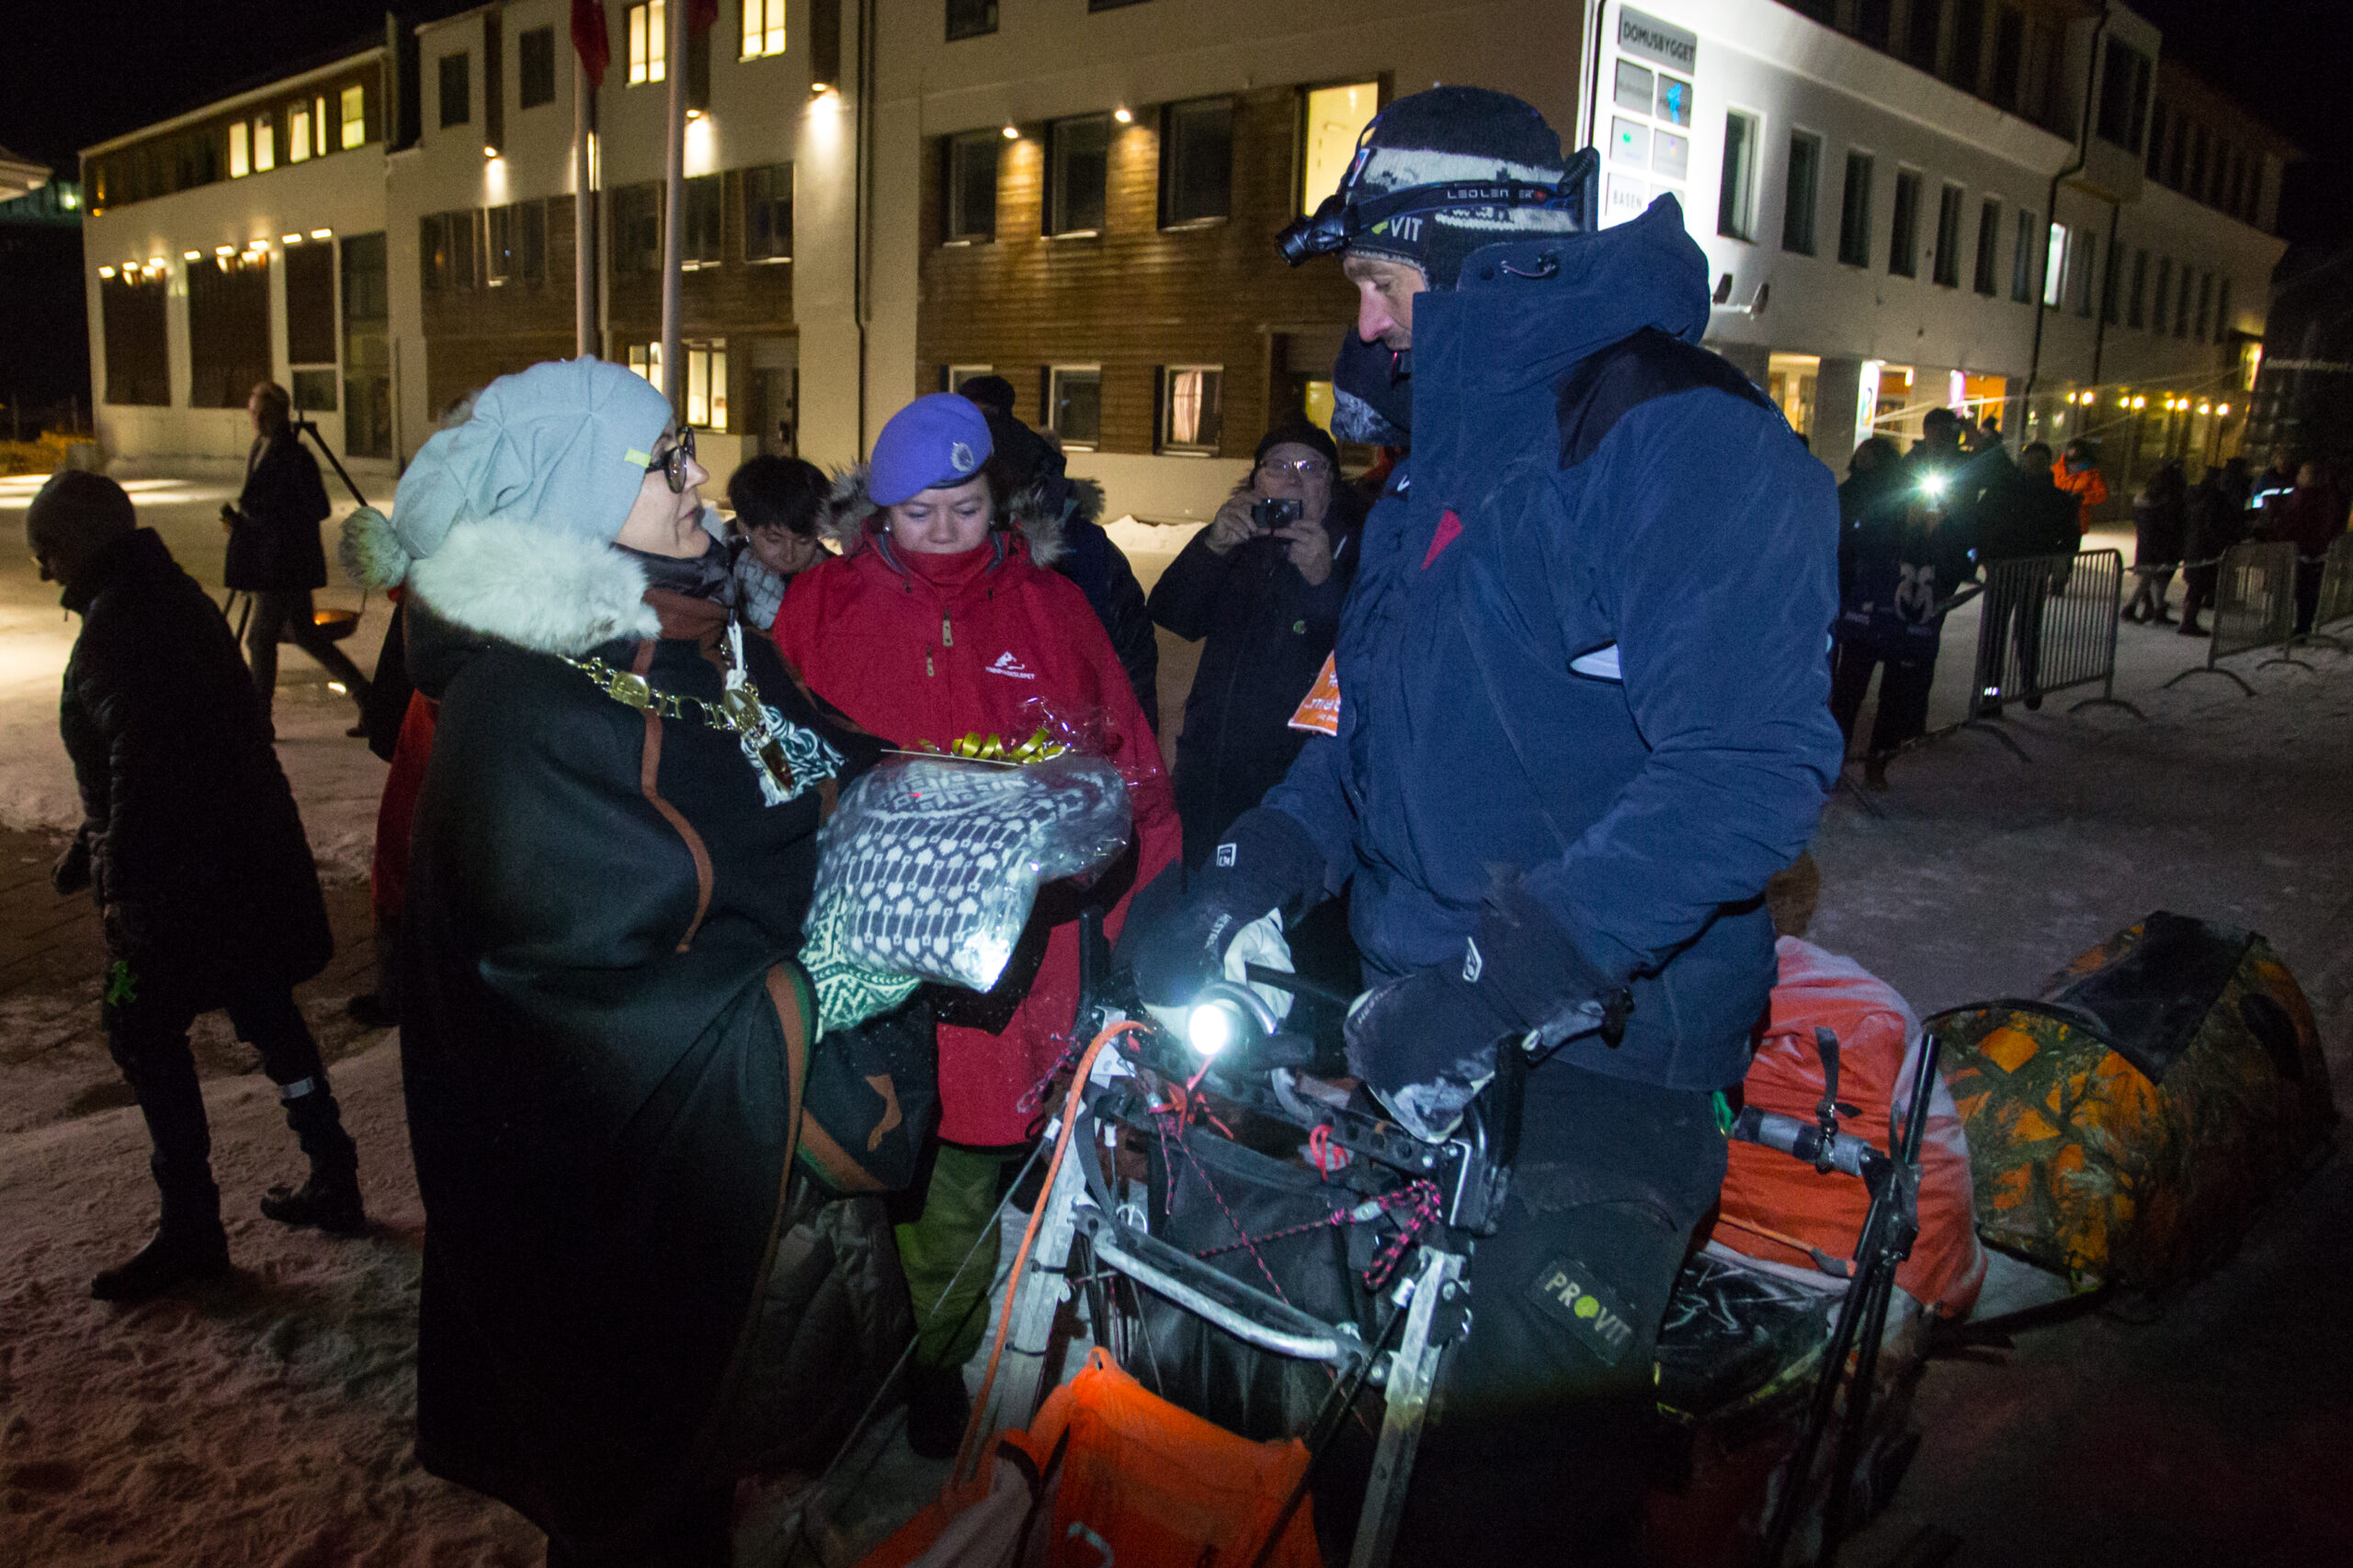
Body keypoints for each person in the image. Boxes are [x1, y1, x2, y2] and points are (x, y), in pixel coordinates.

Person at [1120, 88, 1840, 1563]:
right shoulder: (1430, 479)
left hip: (1602, 1053)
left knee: (1492, 1494)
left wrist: (1505, 984)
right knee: (1337, 1432)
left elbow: (1747, 772)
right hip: (1409, 1026)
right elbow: (1351, 736)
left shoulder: (1672, 441)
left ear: (1483, 261)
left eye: (1381, 287)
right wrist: (1238, 873)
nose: (1367, 331)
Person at [383, 359, 905, 1566]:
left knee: (690, 1480)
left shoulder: (698, 635)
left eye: (685, 449)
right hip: (597, 1214)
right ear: (573, 502)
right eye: (663, 462)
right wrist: (804, 994)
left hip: (701, 1179)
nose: (697, 479)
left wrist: (947, 789)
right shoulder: (523, 711)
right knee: (630, 1489)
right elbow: (559, 1002)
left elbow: (808, 755)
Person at [774, 393, 1180, 1459]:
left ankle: (982, 1360)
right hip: (868, 961)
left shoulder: (1052, 606)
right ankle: (888, 1364)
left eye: (964, 506)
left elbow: (1127, 770)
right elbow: (767, 766)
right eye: (920, 514)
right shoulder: (817, 606)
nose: (946, 530)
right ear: (879, 511)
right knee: (883, 1175)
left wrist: (1140, 908)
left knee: (998, 1172)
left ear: (995, 499)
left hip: (1023, 967)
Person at [28, 472, 364, 1305]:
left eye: (48, 552)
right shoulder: (167, 598)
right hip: (239, 865)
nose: (42, 572)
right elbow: (153, 750)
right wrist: (91, 839)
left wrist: (119, 875)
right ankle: (333, 1169)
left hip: (182, 886)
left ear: (78, 544)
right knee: (267, 1015)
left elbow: (141, 763)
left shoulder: (121, 623)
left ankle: (192, 1227)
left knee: (139, 1030)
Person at [1147, 418, 1363, 867]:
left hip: (1296, 787)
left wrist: (1325, 582)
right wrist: (1212, 547)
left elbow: (1361, 662)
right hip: (1209, 773)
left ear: (1331, 484)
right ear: (1256, 480)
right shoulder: (1239, 540)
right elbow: (1173, 614)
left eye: (1310, 466)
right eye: (1278, 465)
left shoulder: (1355, 551)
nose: (1292, 477)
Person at [955, 375, 1162, 732]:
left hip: (1059, 759)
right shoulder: (927, 547)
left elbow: (1127, 676)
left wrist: (1123, 765)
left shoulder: (1084, 555)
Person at [222, 381, 371, 719]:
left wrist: (266, 517)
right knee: (305, 635)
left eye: (261, 413)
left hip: (282, 564)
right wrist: (247, 522)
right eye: (252, 412)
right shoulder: (260, 449)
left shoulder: (294, 457)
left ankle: (261, 718)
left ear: (277, 414)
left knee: (259, 640)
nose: (255, 419)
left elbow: (317, 507)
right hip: (273, 560)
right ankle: (366, 695)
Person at [1972, 441, 2084, 709]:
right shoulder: (2003, 492)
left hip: (2032, 575)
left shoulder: (2056, 499)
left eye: (2039, 462)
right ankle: (1991, 692)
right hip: (2002, 573)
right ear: (2023, 462)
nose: (2034, 466)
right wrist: (1986, 559)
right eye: (2030, 461)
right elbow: (1982, 525)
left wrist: (2059, 568)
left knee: (2028, 632)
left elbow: (2069, 536)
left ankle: (2029, 683)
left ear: (2047, 465)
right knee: (1995, 634)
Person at [726, 453, 831, 633]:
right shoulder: (718, 576)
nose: (789, 555)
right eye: (773, 540)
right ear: (743, 526)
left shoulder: (838, 579)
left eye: (803, 541)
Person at [2266, 459, 2350, 635]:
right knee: (2306, 592)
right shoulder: (2323, 496)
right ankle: (2301, 626)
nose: (2298, 476)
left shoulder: (2310, 498)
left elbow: (2296, 524)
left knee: (2301, 591)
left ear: (2310, 477)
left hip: (2304, 552)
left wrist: (2275, 525)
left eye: (2302, 473)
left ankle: (2298, 628)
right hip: (2312, 552)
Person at [2178, 455, 2252, 637]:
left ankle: (2188, 620)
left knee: (2195, 586)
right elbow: (2214, 525)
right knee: (2198, 586)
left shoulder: (2197, 496)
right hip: (2206, 548)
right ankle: (2188, 622)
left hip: (2194, 545)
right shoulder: (2213, 500)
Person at [2124, 459, 2188, 624]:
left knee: (2155, 578)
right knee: (2149, 578)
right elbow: (2169, 523)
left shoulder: (2146, 499)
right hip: (2158, 544)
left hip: (2148, 544)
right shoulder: (2168, 499)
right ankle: (2130, 609)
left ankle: (2158, 610)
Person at [2052, 437, 2110, 535]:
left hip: (2076, 521)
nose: (2073, 452)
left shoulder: (2091, 473)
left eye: (2076, 449)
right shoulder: (2055, 470)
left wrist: (2080, 498)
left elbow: (2101, 494)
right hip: (2055, 519)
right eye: (2071, 448)